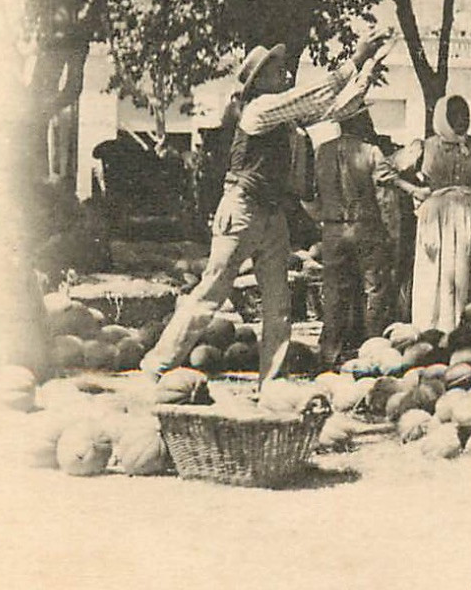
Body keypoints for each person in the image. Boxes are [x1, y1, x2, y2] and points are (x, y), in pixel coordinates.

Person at [140, 26, 394, 381]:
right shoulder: (260, 109)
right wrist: (356, 59)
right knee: (211, 292)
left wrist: (366, 72)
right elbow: (313, 95)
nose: (286, 74)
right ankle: (158, 364)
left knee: (279, 306)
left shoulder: (281, 116)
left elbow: (336, 109)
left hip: (270, 214)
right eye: (278, 71)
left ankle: (271, 381)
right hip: (242, 210)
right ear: (259, 82)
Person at [312, 111, 419, 368]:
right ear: (361, 123)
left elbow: (310, 190)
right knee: (374, 289)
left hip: (333, 230)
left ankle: (329, 354)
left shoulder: (321, 152)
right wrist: (415, 189)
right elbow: (387, 179)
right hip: (365, 226)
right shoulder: (370, 151)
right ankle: (373, 352)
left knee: (335, 291)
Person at [398, 95, 471, 335]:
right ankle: (438, 328)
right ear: (443, 117)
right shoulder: (425, 147)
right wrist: (415, 190)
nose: (462, 119)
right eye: (455, 114)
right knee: (440, 271)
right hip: (438, 220)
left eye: (465, 113)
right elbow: (388, 170)